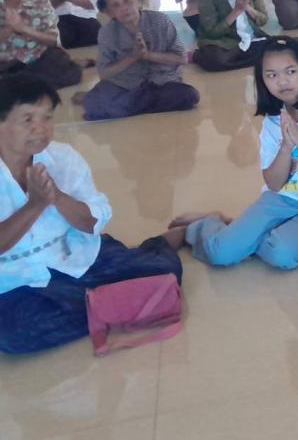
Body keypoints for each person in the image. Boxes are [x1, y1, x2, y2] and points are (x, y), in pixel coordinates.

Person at [0, 74, 185, 355]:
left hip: (76, 257)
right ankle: (117, 302)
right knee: (15, 335)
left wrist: (57, 197)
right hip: (16, 279)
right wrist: (34, 205)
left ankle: (153, 250)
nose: (41, 129)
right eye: (28, 119)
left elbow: (91, 223)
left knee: (165, 271)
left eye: (47, 118)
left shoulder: (62, 158)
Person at [173, 37, 298, 270]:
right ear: (262, 80)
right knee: (221, 253)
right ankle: (206, 225)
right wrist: (286, 147)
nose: (282, 82)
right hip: (281, 199)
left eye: (291, 71)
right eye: (271, 75)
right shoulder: (273, 121)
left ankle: (243, 230)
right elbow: (274, 184)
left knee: (282, 255)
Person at [82, 0, 199, 121]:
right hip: (125, 85)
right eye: (116, 5)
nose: (124, 8)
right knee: (93, 104)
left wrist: (148, 55)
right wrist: (133, 57)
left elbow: (181, 58)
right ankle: (143, 104)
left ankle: (127, 106)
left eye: (127, 1)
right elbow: (104, 73)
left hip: (162, 83)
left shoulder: (160, 20)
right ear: (108, 12)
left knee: (189, 95)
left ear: (138, 0)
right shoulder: (107, 33)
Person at [0, 0, 82, 90]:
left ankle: (20, 84)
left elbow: (53, 40)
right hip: (5, 62)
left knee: (67, 71)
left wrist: (23, 28)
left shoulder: (40, 2)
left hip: (37, 59)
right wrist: (10, 28)